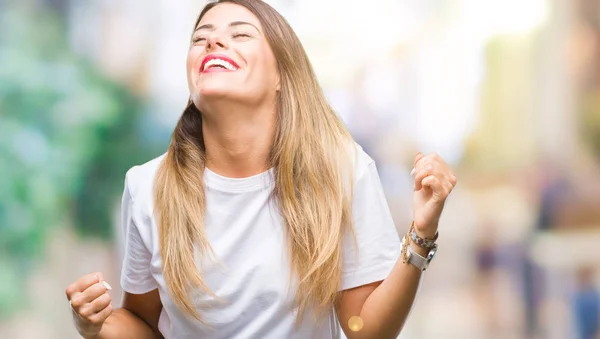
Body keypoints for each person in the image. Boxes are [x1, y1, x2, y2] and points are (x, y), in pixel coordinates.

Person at [64, 1, 456, 338]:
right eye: (200, 38)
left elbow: (363, 328)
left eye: (241, 35)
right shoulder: (147, 186)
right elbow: (144, 325)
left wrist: (422, 233)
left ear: (281, 75)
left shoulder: (342, 169)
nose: (213, 42)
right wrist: (95, 325)